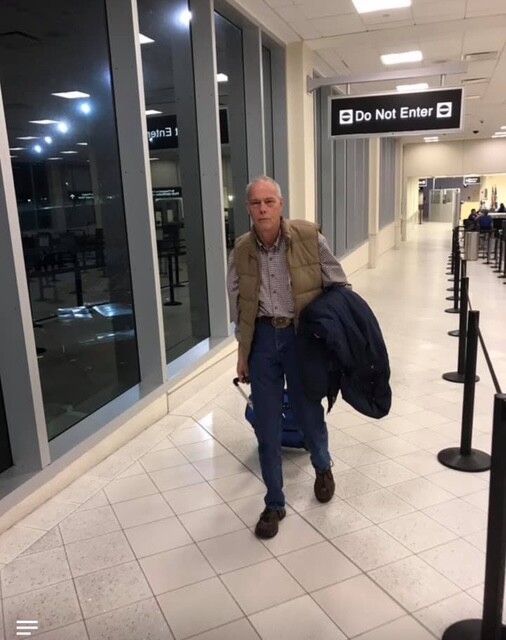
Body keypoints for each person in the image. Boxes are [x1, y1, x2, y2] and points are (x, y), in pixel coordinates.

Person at [227, 175, 349, 539]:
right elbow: (239, 304)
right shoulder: (241, 250)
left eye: (269, 202)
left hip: (301, 339)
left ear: (281, 204)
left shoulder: (309, 238)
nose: (262, 209)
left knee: (309, 414)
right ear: (248, 208)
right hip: (263, 339)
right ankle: (274, 502)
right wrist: (243, 351)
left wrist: (331, 336)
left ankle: (322, 465)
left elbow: (339, 284)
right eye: (255, 203)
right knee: (267, 426)